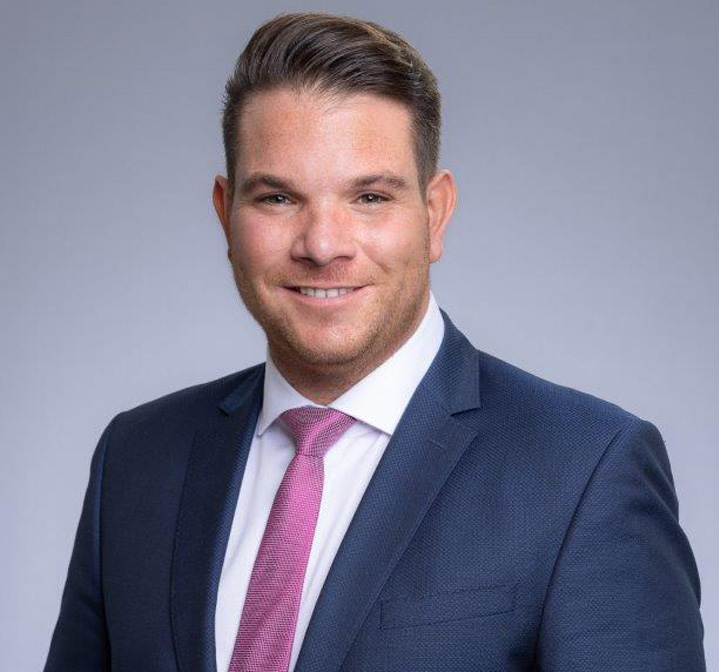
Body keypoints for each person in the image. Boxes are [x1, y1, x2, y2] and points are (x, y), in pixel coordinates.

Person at [44, 12, 706, 672]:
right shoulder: (137, 458)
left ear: (434, 214)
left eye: (368, 197)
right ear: (225, 215)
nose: (322, 245)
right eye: (277, 198)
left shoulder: (583, 468)